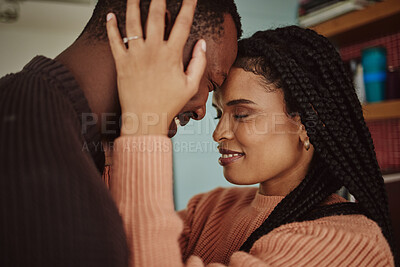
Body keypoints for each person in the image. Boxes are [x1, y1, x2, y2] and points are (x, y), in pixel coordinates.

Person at [105, 0, 398, 266]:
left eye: (242, 114)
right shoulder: (208, 209)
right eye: (219, 114)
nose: (218, 133)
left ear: (308, 123)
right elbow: (118, 249)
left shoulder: (347, 243)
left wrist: (144, 127)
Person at [0, 0, 241, 266]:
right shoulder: (33, 149)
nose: (201, 113)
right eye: (210, 82)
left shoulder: (78, 141)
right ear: (159, 30)